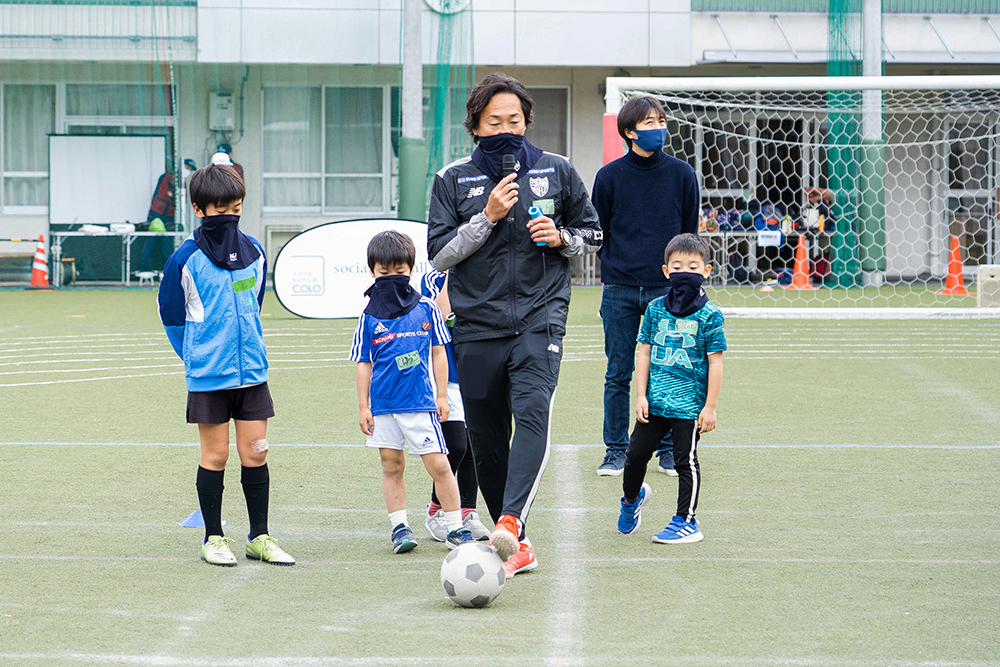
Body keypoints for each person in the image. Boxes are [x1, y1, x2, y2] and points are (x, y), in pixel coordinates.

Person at [427, 73, 603, 578]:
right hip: (475, 323)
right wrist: (486, 216)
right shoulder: (452, 178)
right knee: (484, 439)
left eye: (516, 120)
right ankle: (518, 542)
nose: (507, 129)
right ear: (476, 126)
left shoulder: (557, 169)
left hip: (540, 315)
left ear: (527, 121)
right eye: (495, 121)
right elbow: (439, 255)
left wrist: (562, 237)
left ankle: (509, 520)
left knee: (531, 410)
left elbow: (593, 235)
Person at [157, 164, 295, 567]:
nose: (229, 216)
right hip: (208, 377)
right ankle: (214, 537)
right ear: (199, 209)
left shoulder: (255, 253)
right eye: (220, 209)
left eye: (235, 207)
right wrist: (198, 356)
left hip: (252, 374)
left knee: (256, 452)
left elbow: (254, 306)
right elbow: (171, 317)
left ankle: (260, 537)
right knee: (214, 457)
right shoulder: (185, 259)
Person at [591, 95, 699, 477]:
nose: (658, 129)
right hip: (619, 286)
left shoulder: (683, 174)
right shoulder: (609, 177)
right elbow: (597, 230)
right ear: (629, 131)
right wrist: (615, 265)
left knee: (669, 370)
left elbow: (690, 234)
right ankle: (616, 450)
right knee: (618, 371)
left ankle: (670, 451)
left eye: (661, 121)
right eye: (649, 123)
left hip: (667, 290)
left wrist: (684, 280)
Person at [350, 230, 476, 554]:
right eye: (383, 272)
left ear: (411, 269)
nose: (392, 277)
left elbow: (438, 352)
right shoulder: (368, 317)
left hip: (421, 404)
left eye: (400, 271)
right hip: (383, 407)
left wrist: (441, 396)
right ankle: (399, 527)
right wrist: (363, 406)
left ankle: (454, 527)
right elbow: (363, 363)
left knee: (441, 465)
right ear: (372, 272)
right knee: (391, 465)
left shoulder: (426, 308)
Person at [616, 234, 726, 545]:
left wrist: (710, 406)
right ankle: (631, 499)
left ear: (706, 271)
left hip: (689, 406)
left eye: (693, 266)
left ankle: (686, 521)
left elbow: (715, 363)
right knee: (635, 455)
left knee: (684, 461)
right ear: (666, 272)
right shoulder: (654, 309)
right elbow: (645, 352)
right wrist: (640, 395)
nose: (685, 271)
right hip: (654, 402)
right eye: (677, 266)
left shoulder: (710, 314)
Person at [420, 269, 491, 542]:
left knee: (475, 446)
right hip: (447, 377)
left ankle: (468, 513)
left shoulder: (488, 273)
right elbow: (436, 313)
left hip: (478, 371)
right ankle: (436, 510)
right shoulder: (433, 279)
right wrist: (455, 271)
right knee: (457, 446)